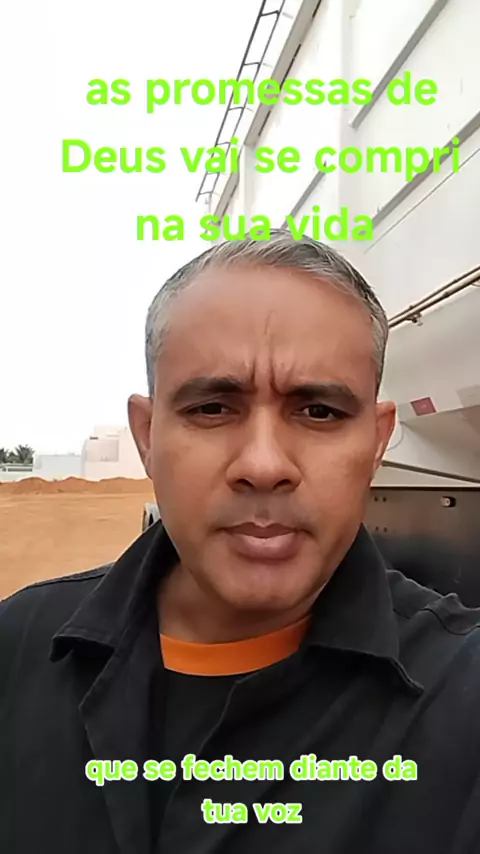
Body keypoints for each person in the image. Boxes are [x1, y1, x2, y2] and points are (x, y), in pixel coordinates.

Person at [2, 231, 480, 854]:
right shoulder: (16, 651)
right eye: (212, 408)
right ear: (147, 436)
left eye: (319, 411)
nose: (263, 464)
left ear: (376, 442)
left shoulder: (464, 700)